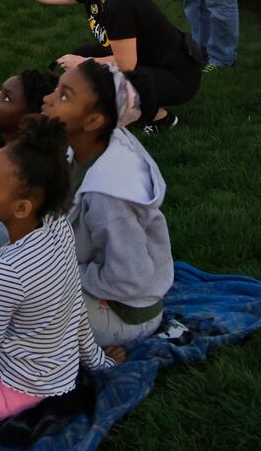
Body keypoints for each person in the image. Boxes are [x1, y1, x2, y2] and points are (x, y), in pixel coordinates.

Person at [0, 116, 115, 429]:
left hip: (9, 389)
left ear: (21, 208)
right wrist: (99, 361)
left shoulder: (6, 272)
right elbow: (74, 311)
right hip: (55, 374)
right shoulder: (58, 227)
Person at [0, 0, 200, 131]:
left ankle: (158, 117)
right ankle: (123, 108)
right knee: (84, 54)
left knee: (94, 75)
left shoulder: (121, 2)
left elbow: (125, 65)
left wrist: (83, 64)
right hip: (145, 61)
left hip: (177, 76)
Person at [40, 60, 173, 347]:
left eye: (64, 95)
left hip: (122, 312)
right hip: (89, 274)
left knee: (21, 294)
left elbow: (130, 279)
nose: (47, 99)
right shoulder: (87, 144)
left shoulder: (108, 196)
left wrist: (61, 268)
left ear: (93, 121)